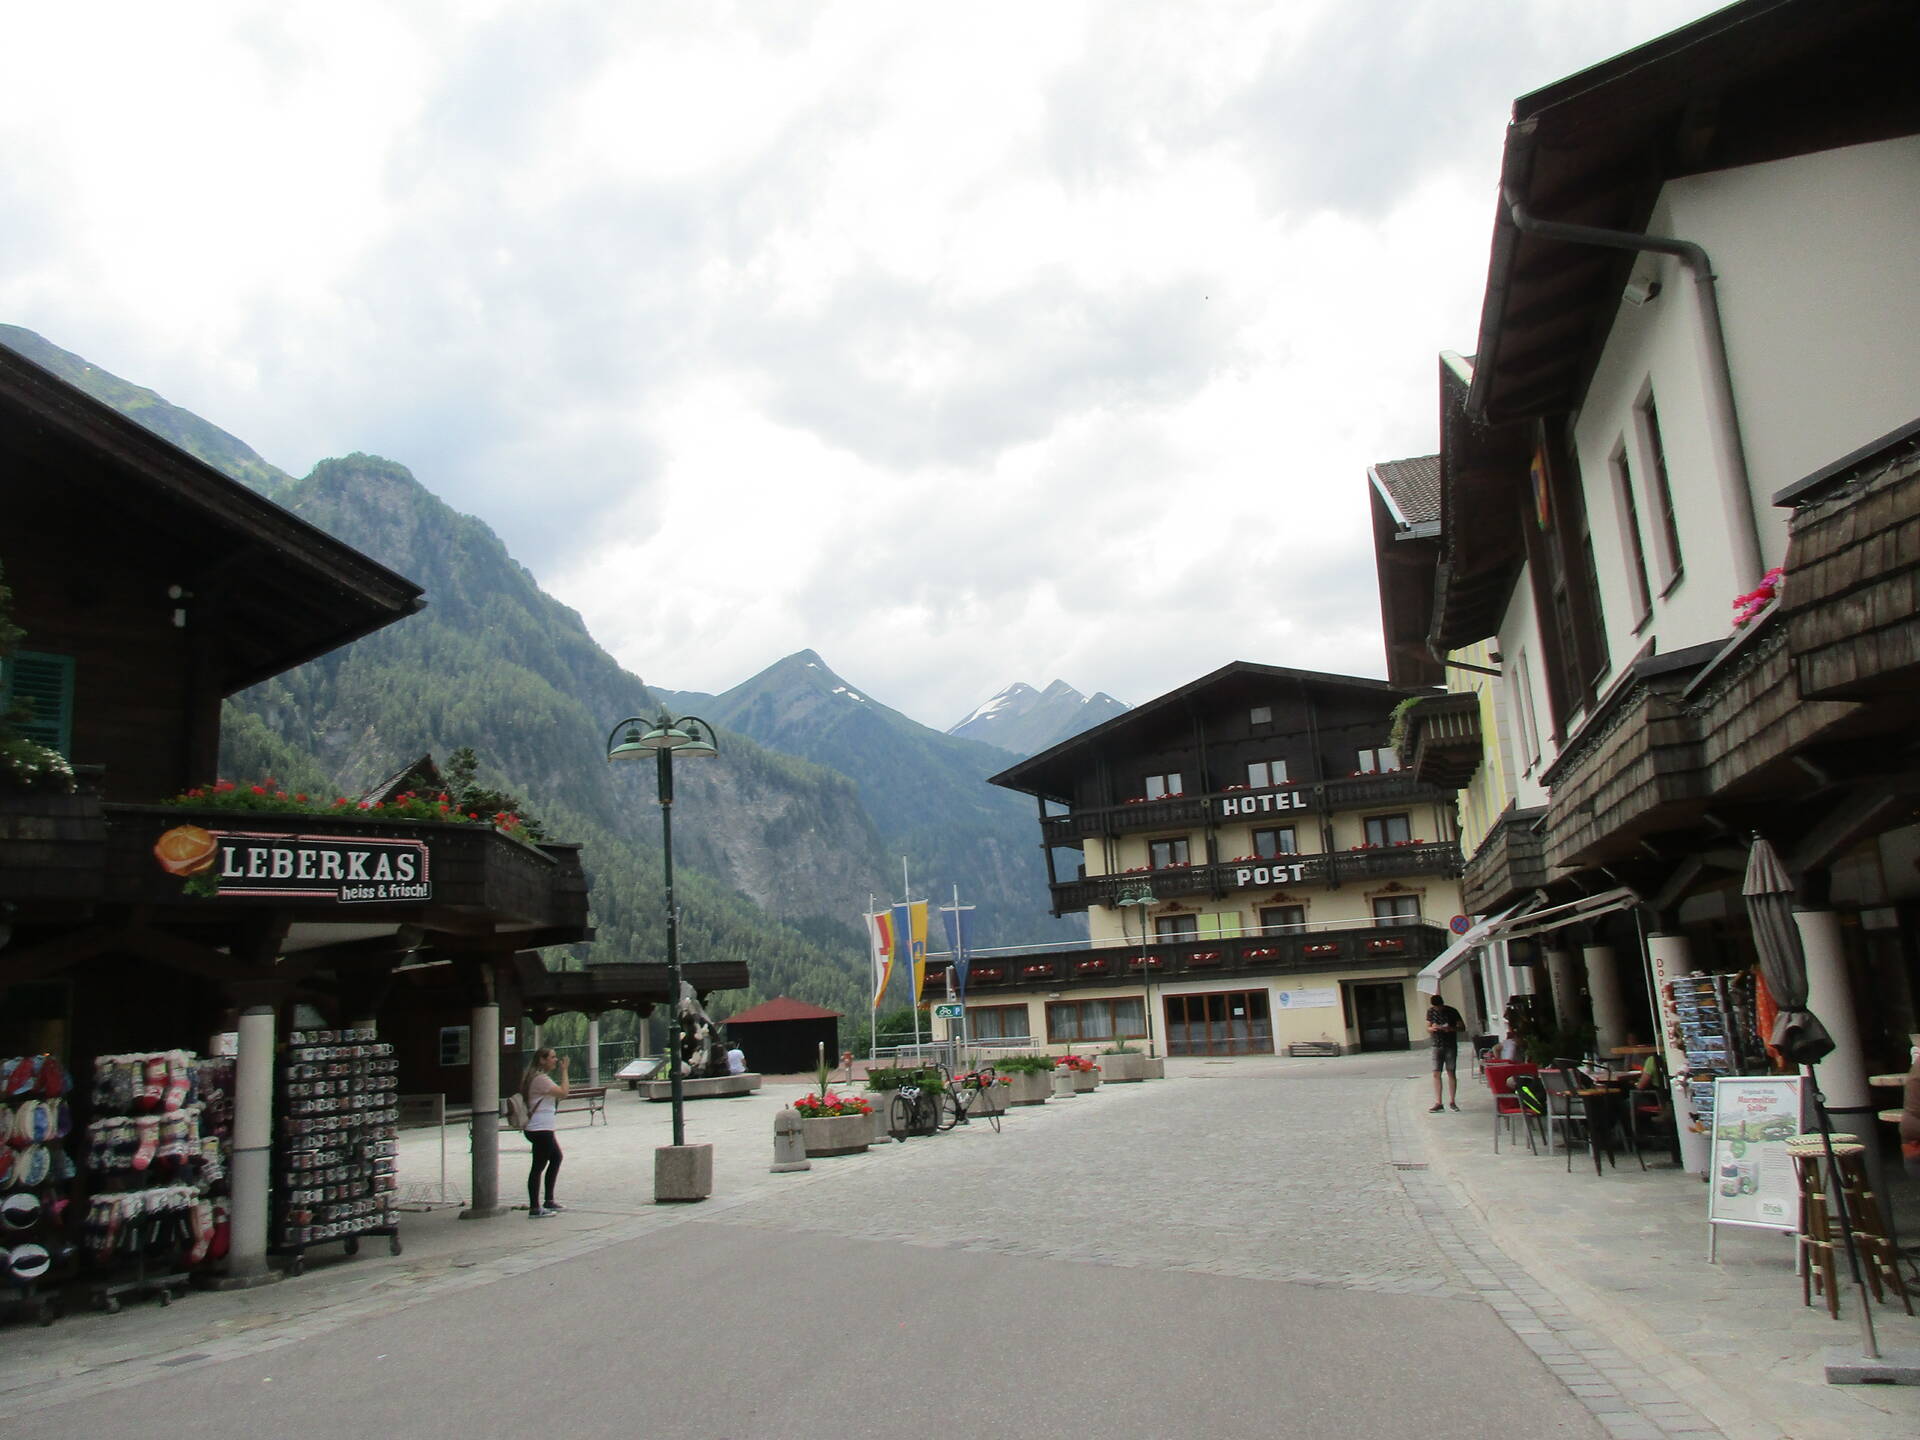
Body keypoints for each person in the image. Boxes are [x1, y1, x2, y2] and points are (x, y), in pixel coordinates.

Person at [521, 1049, 568, 1218]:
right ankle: (535, 1207)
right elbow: (564, 1092)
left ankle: (549, 1200)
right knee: (538, 1167)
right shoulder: (540, 1079)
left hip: (542, 1127)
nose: (555, 1060)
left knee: (556, 1157)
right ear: (542, 1060)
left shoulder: (537, 1077)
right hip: (540, 1129)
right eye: (552, 1057)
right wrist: (564, 1071)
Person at [1426, 993, 1467, 1112]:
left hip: (1450, 1045)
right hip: (1436, 1045)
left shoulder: (1452, 1011)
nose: (1437, 1009)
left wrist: (1450, 1029)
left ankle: (1452, 1101)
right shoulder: (1430, 1012)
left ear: (1442, 1004)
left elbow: (1462, 1027)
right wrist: (1432, 1028)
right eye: (1435, 1007)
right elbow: (1428, 1027)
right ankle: (1438, 1102)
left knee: (1451, 1072)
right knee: (1436, 1073)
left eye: (1439, 1006)